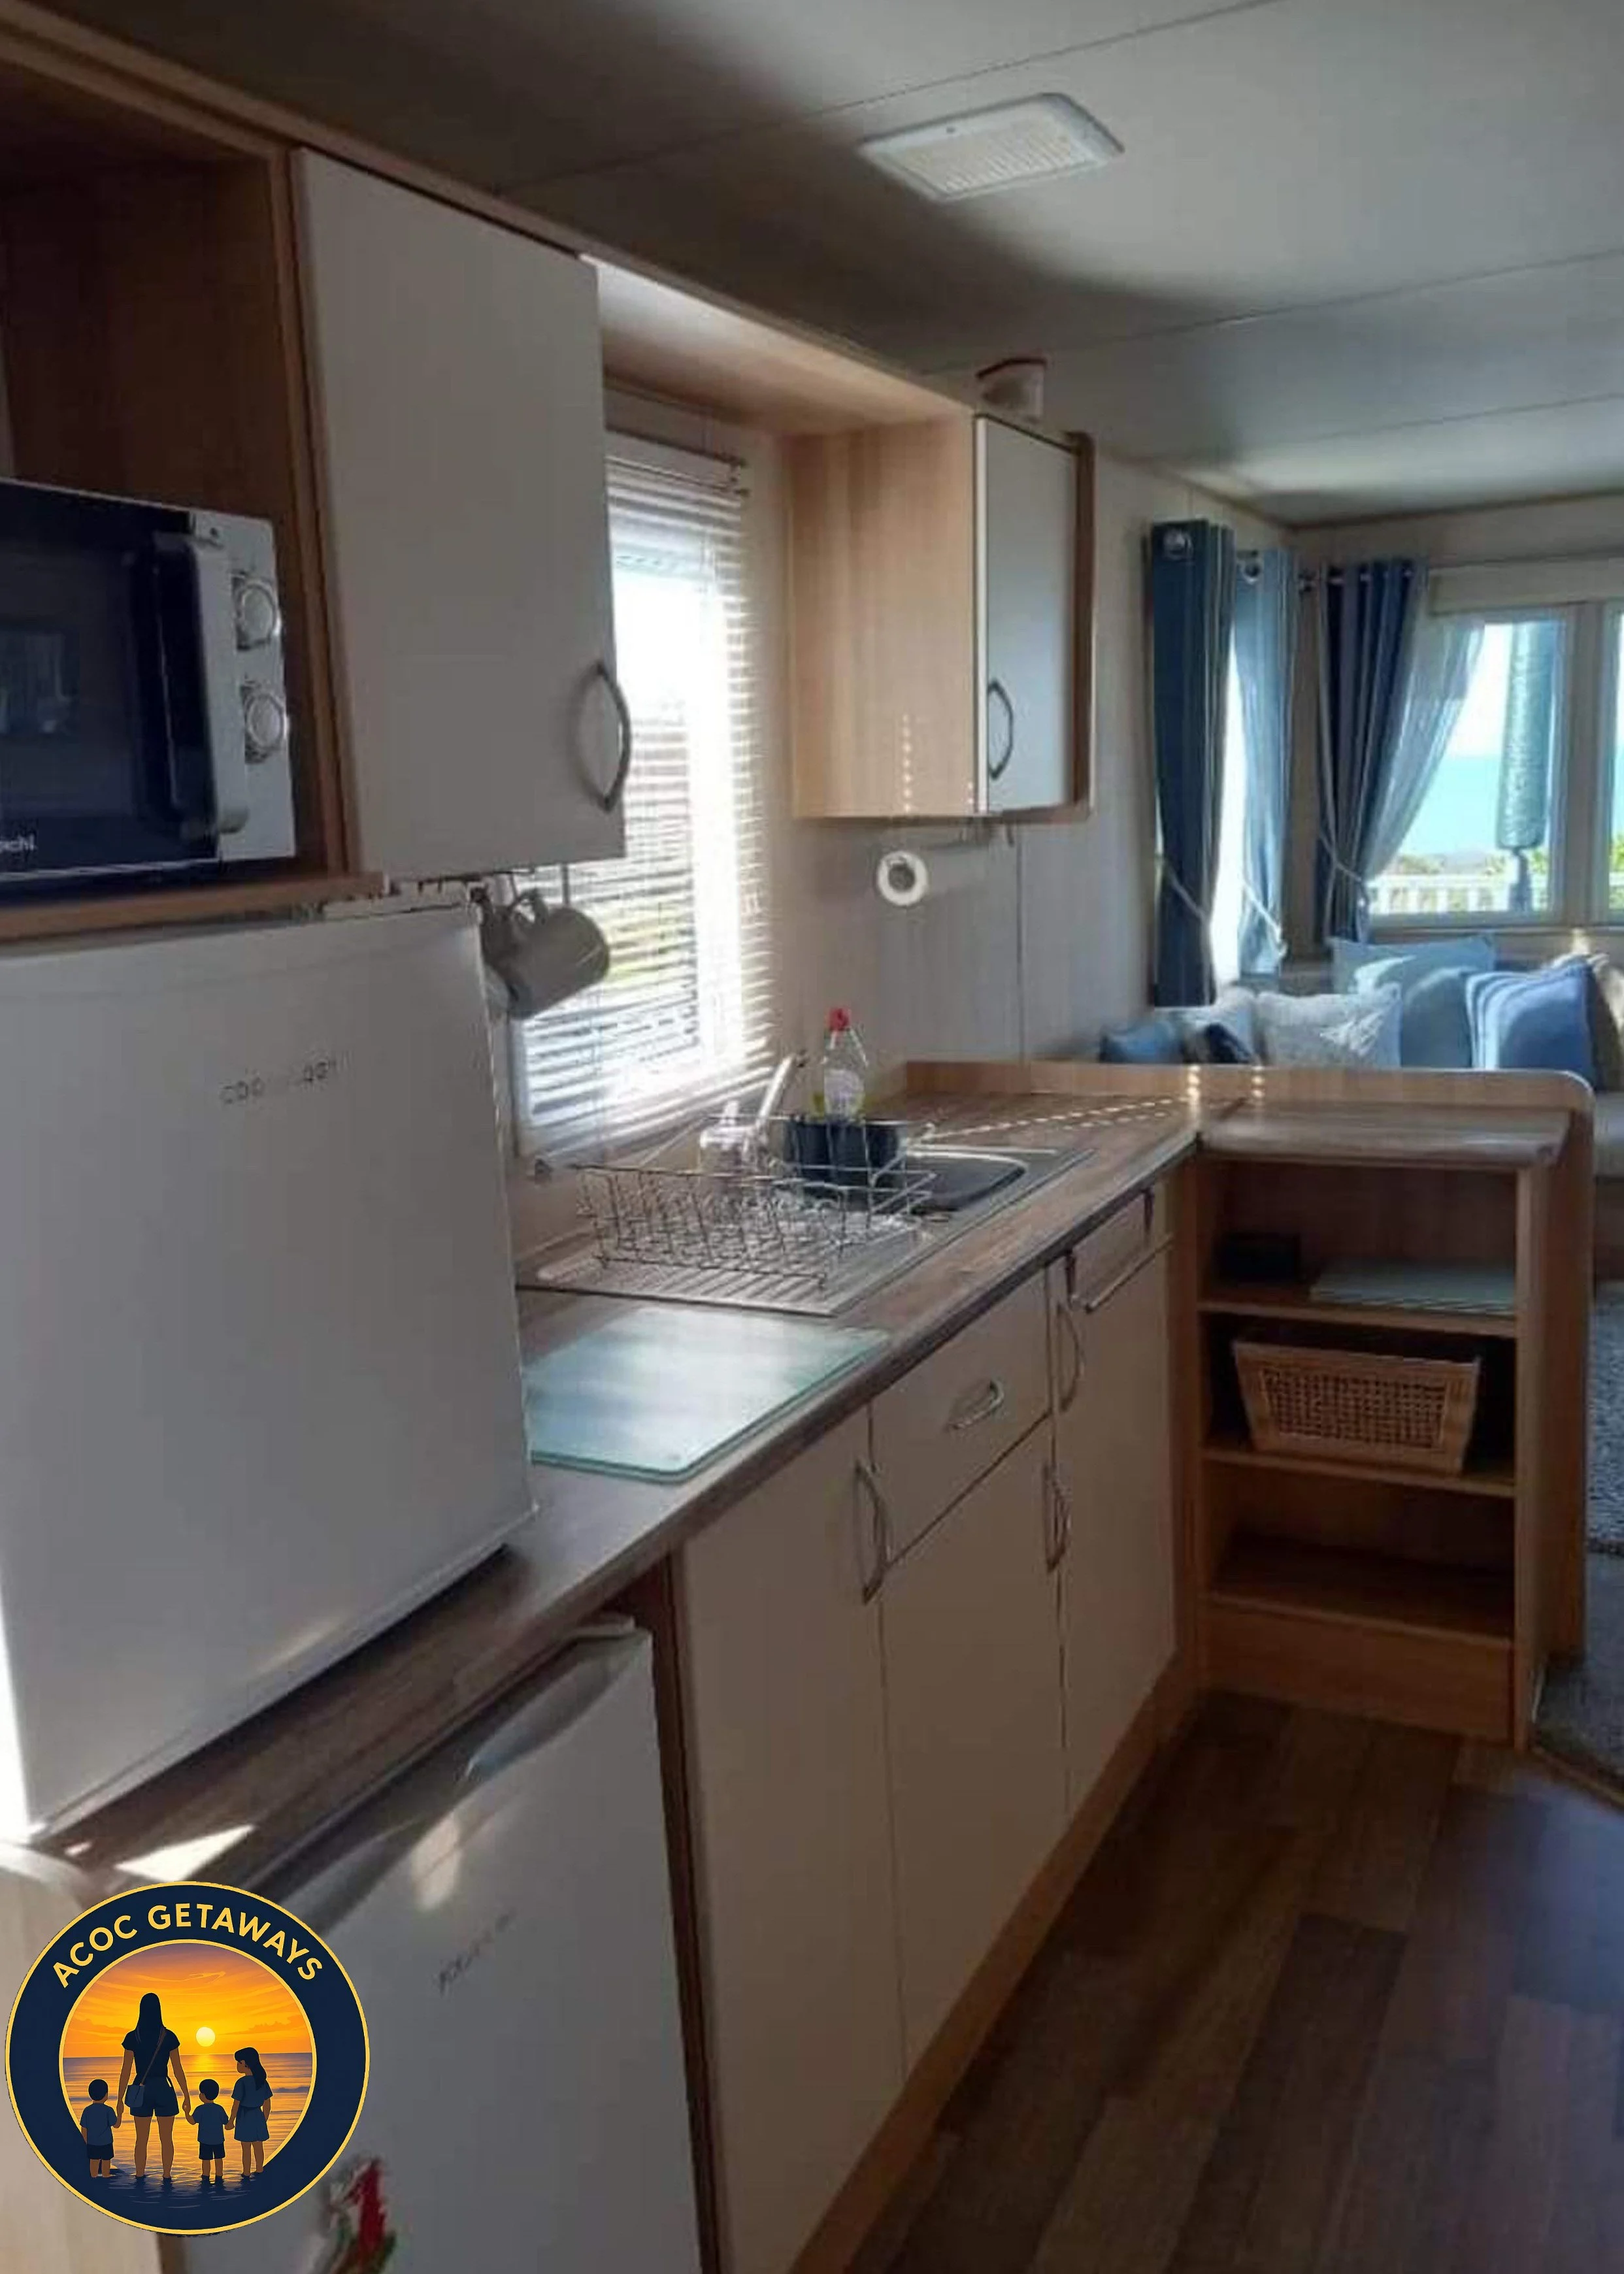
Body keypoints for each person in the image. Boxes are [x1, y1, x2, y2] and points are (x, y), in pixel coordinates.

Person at [115, 1991, 190, 2182]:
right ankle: (167, 2177)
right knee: (167, 2139)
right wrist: (187, 2096)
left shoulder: (133, 2037)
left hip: (141, 2089)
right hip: (164, 2088)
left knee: (141, 2140)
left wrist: (120, 2100)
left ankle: (140, 2176)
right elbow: (177, 2069)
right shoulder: (169, 2036)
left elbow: (126, 2070)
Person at [231, 2047, 272, 2177]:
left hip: (244, 2117)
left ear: (244, 2063)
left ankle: (246, 2172)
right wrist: (264, 2119)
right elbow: (267, 2103)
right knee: (259, 2146)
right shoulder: (262, 2081)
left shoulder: (241, 2083)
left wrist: (231, 2121)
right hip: (258, 2116)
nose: (237, 2065)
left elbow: (236, 2104)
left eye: (238, 2062)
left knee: (246, 2148)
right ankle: (260, 2169)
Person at [188, 2077, 228, 2183]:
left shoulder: (200, 2109)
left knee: (206, 2160)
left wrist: (187, 2113)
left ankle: (206, 2177)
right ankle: (219, 2176)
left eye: (201, 2093)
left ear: (203, 2095)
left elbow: (192, 2121)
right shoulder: (220, 2109)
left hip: (205, 2140)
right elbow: (226, 2121)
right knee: (219, 2159)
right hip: (218, 2140)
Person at [80, 2079, 120, 2179]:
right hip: (106, 2142)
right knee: (106, 2160)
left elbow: (84, 2129)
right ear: (106, 2095)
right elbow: (116, 2125)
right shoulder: (108, 2110)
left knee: (94, 2160)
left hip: (92, 2143)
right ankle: (106, 2175)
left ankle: (94, 2176)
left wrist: (86, 2141)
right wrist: (120, 2114)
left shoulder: (87, 2110)